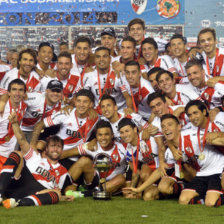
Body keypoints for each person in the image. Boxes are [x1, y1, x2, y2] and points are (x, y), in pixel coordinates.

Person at [0, 112, 74, 208]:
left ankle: (18, 203)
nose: (55, 149)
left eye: (58, 146)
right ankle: (0, 193)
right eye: (52, 146)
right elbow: (22, 141)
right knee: (17, 154)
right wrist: (14, 124)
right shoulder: (35, 157)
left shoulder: (64, 172)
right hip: (20, 185)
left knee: (56, 194)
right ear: (46, 149)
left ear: (62, 150)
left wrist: (63, 197)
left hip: (35, 194)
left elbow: (60, 192)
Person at [30, 89, 99, 167]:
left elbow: (104, 132)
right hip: (55, 148)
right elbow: (40, 124)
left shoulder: (95, 118)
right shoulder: (66, 113)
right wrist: (32, 144)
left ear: (91, 104)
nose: (81, 105)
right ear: (75, 102)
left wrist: (95, 140)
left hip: (72, 157)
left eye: (85, 102)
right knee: (38, 148)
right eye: (79, 101)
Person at [60, 120, 126, 195]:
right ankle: (61, 189)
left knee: (121, 179)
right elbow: (65, 154)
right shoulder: (91, 146)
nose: (103, 138)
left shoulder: (122, 148)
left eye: (106, 134)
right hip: (95, 181)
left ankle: (84, 194)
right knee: (84, 160)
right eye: (100, 135)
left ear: (112, 135)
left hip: (114, 183)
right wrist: (46, 156)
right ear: (96, 136)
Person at [178, 100, 224, 207]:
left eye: (195, 113)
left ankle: (211, 197)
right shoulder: (188, 129)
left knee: (211, 203)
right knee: (183, 200)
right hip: (203, 172)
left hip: (219, 169)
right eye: (189, 115)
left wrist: (218, 135)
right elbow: (173, 137)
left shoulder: (219, 118)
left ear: (204, 111)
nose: (193, 117)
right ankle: (207, 195)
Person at [118, 118, 159, 199]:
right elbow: (135, 171)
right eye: (122, 132)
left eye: (127, 131)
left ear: (135, 129)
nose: (125, 135)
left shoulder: (147, 135)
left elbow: (159, 128)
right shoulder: (129, 150)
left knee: (147, 195)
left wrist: (149, 129)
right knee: (140, 195)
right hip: (152, 175)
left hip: (164, 171)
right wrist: (132, 189)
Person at [82, 46, 133, 112]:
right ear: (94, 59)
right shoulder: (88, 76)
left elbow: (128, 97)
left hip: (118, 112)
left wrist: (129, 109)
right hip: (99, 113)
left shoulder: (118, 73)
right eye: (98, 57)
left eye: (105, 56)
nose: (101, 59)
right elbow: (84, 97)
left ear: (110, 59)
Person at [0, 79, 27, 171]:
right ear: (9, 92)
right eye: (14, 89)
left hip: (11, 151)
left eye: (20, 90)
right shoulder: (2, 109)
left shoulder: (24, 105)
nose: (17, 93)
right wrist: (2, 101)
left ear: (24, 93)